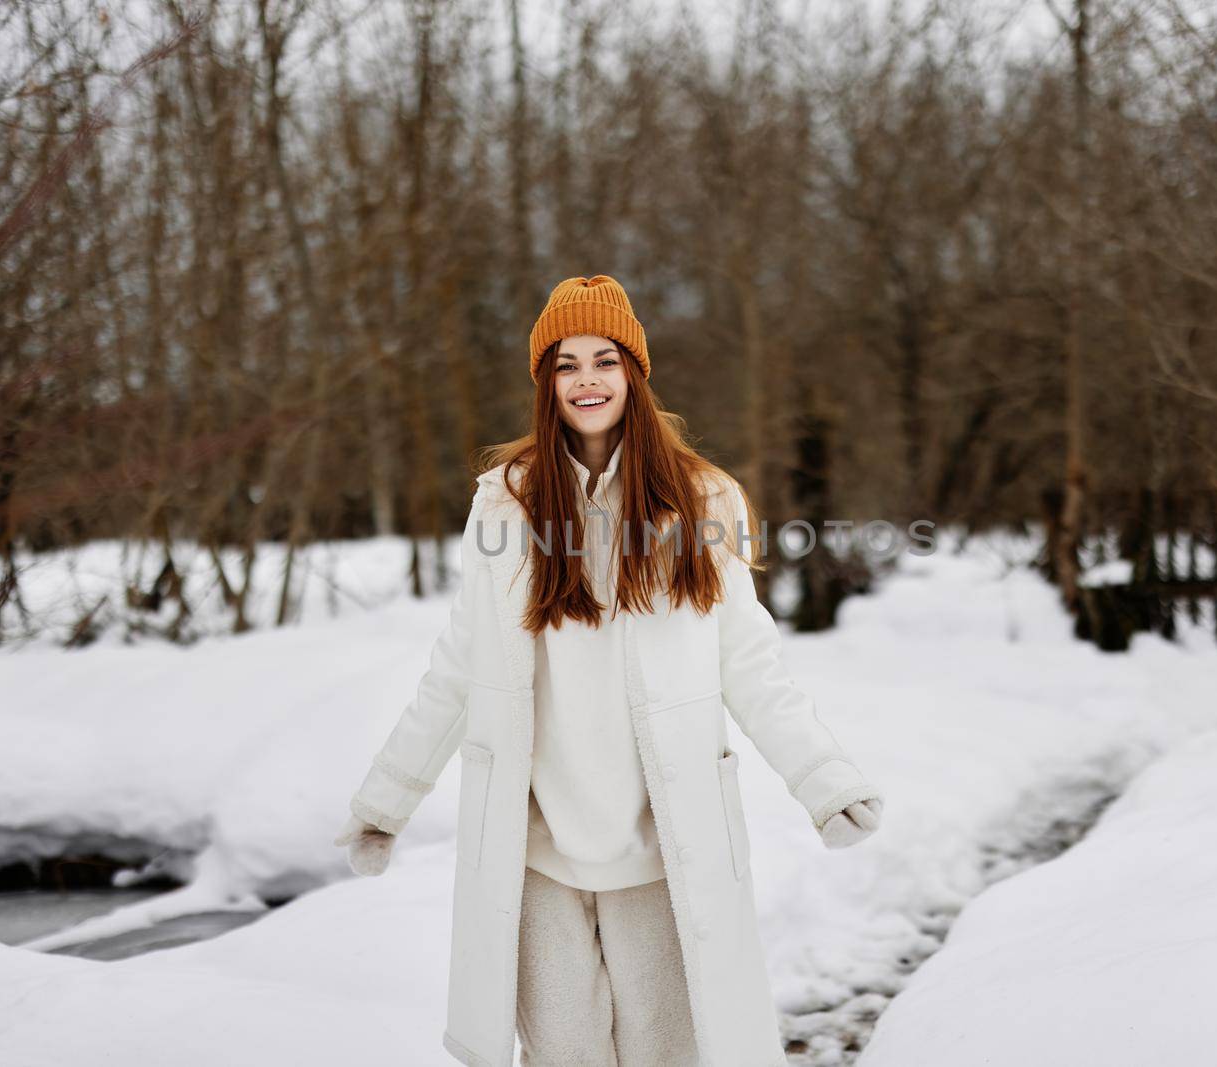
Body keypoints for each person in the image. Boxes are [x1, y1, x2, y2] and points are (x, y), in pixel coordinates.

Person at [334, 274, 884, 1067]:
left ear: (635, 372)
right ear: (545, 383)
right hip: (536, 855)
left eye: (604, 360)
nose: (586, 380)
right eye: (565, 364)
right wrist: (386, 800)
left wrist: (827, 783)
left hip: (665, 848)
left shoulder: (703, 502)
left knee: (669, 1055)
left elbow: (752, 664)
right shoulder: (505, 506)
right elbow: (458, 670)